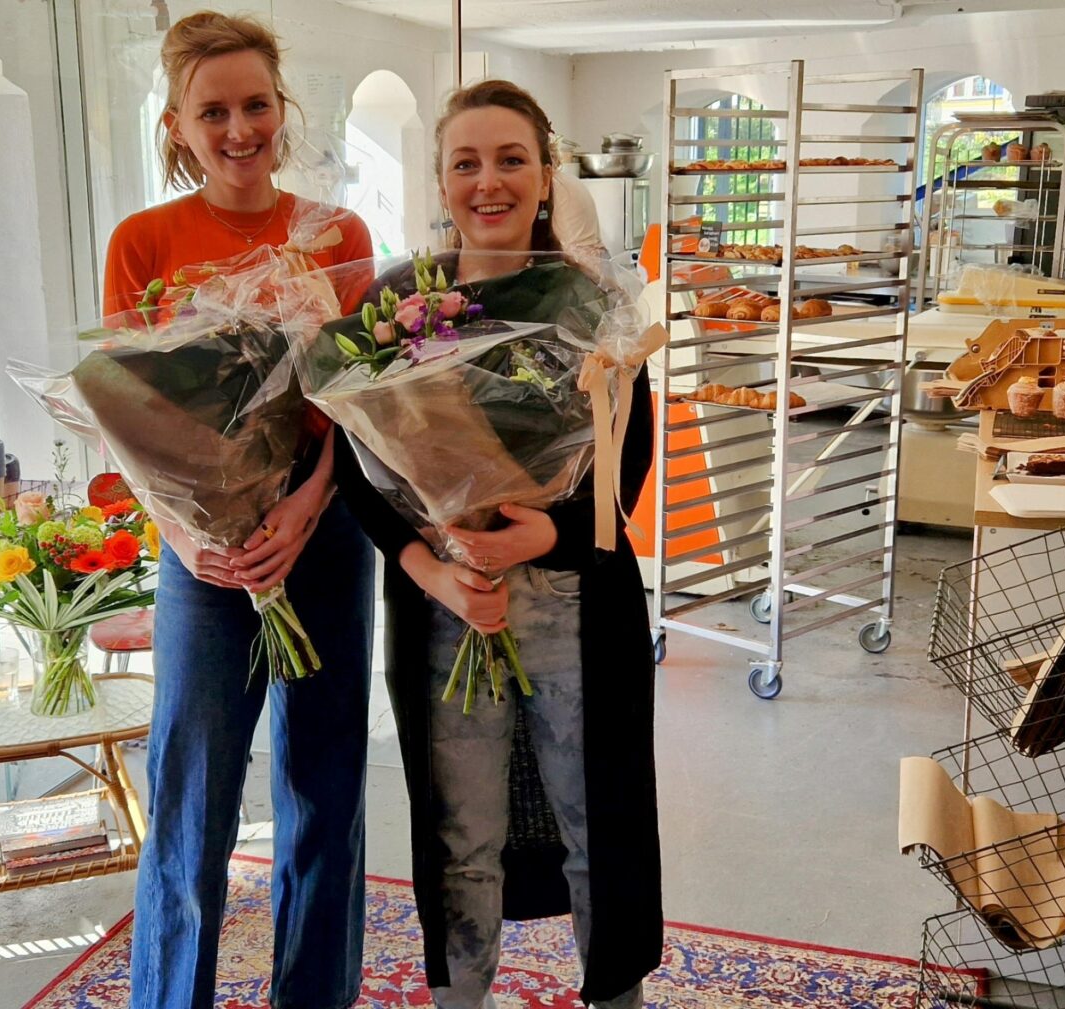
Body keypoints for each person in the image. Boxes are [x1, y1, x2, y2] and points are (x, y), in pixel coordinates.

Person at [333, 79, 663, 1009]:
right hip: (449, 613)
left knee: (598, 822)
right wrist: (435, 565)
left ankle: (615, 999)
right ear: (439, 180)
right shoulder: (398, 303)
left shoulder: (594, 300)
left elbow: (626, 453)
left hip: (574, 603)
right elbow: (362, 468)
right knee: (459, 837)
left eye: (512, 159)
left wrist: (547, 528)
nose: (490, 180)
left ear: (546, 173)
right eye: (466, 162)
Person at [102, 13, 375, 1009]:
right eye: (212, 110)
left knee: (325, 785)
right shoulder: (143, 243)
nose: (238, 127)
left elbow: (356, 397)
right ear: (177, 125)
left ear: (281, 109)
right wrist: (192, 535)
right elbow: (128, 414)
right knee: (192, 799)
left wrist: (306, 506)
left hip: (325, 531)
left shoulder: (338, 236)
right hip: (203, 551)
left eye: (255, 104)